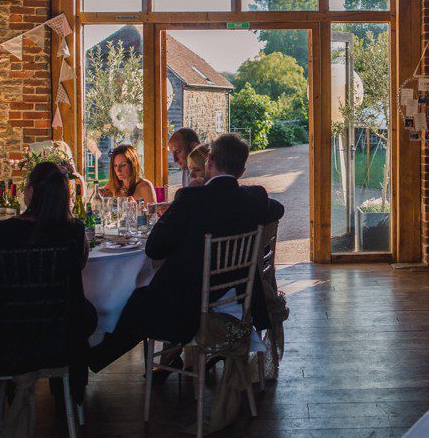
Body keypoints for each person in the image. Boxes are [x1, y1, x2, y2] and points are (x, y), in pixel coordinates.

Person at [89, 133, 285, 372]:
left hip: (188, 304)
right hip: (236, 294)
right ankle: (101, 358)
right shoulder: (255, 197)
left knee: (136, 300)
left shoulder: (191, 198)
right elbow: (278, 209)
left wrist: (182, 201)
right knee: (142, 299)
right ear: (242, 171)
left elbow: (154, 248)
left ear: (209, 161)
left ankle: (94, 359)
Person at [0, 162, 97, 409]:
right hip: (59, 340)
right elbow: (79, 266)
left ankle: (13, 393)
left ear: (31, 192)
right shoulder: (75, 231)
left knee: (13, 315)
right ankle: (63, 394)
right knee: (83, 313)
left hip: (8, 340)